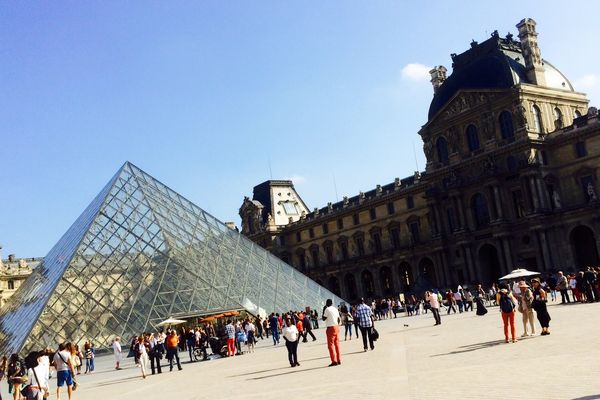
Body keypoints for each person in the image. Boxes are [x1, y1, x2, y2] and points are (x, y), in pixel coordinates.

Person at [322, 299, 342, 366]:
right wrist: (336, 324)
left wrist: (323, 310)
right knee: (337, 344)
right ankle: (339, 360)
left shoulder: (327, 309)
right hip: (336, 327)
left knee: (330, 345)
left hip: (330, 328)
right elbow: (339, 319)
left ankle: (334, 361)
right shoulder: (335, 309)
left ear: (327, 303)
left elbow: (323, 318)